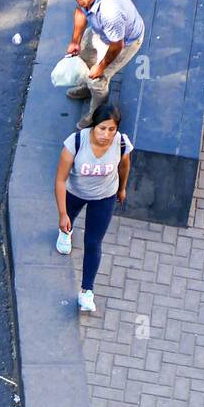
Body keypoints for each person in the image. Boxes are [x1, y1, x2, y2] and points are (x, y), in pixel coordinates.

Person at [55, 101, 133, 313]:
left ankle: (86, 291)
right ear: (93, 125)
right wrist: (63, 214)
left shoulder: (121, 143)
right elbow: (60, 180)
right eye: (102, 128)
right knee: (68, 220)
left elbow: (124, 165)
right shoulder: (76, 142)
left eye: (112, 129)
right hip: (76, 193)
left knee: (93, 242)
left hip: (104, 197)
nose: (106, 135)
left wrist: (122, 188)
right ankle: (65, 232)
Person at [65, 0, 145, 129]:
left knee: (98, 81)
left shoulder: (111, 11)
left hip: (123, 41)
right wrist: (75, 41)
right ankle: (87, 88)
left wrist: (101, 67)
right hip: (101, 31)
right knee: (85, 58)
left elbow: (117, 45)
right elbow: (80, 12)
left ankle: (96, 115)